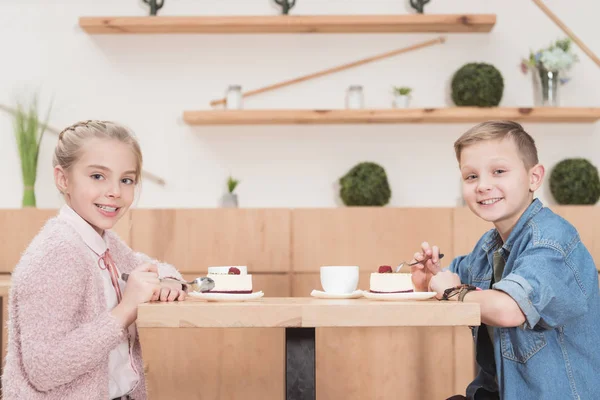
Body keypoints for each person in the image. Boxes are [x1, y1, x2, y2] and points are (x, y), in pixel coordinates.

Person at [410, 121, 600, 399]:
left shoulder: (552, 241)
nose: (483, 186)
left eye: (498, 171)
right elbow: (452, 276)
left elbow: (508, 309)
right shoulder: (488, 247)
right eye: (471, 176)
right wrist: (429, 278)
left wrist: (452, 291)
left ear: (534, 178)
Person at [2, 120, 186, 400]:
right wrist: (127, 309)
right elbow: (45, 368)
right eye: (98, 176)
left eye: (126, 180)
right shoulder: (57, 253)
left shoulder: (102, 242)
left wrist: (170, 279)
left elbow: (147, 264)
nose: (115, 191)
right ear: (63, 179)